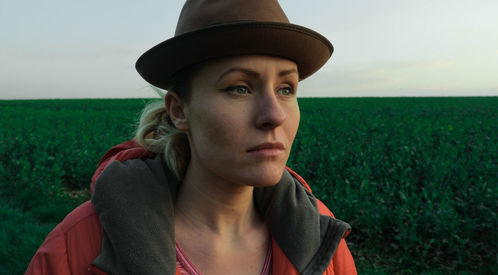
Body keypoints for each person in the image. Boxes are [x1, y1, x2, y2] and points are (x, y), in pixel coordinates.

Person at [26, 0, 357, 274]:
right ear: (179, 110)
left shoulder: (321, 236)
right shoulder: (75, 247)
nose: (275, 115)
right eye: (239, 88)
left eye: (286, 89)